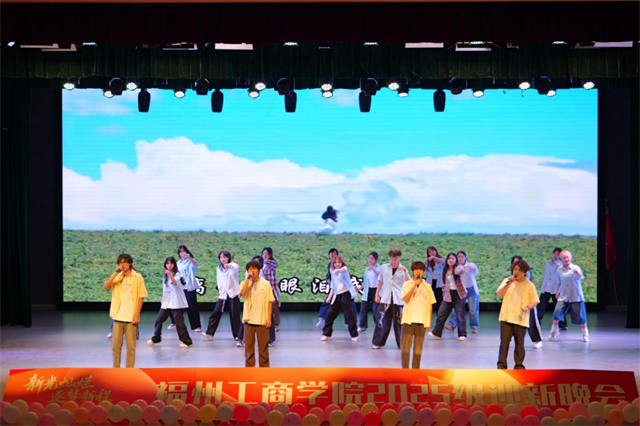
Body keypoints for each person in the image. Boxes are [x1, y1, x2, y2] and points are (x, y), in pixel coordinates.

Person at [103, 254, 148, 368]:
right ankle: (116, 369)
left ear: (130, 264)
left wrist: (137, 314)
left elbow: (141, 296)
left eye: (125, 262)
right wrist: (115, 273)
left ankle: (129, 371)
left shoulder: (137, 277)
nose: (122, 265)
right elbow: (106, 286)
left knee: (131, 346)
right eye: (120, 263)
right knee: (115, 346)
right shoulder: (117, 276)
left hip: (131, 317)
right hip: (117, 315)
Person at [496, 260, 540, 369]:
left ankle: (519, 366)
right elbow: (499, 293)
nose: (516, 272)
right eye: (515, 269)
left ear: (524, 272)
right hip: (506, 317)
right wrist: (508, 283)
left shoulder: (529, 285)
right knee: (504, 343)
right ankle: (501, 365)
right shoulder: (508, 281)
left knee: (519, 344)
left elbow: (535, 301)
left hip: (520, 318)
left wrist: (528, 307)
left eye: (519, 270)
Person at [148, 256, 193, 348]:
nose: (169, 265)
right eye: (167, 263)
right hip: (167, 302)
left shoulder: (177, 274)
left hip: (176, 302)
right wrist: (163, 298)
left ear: (174, 265)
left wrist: (170, 274)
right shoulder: (165, 275)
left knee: (179, 323)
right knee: (159, 320)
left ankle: (187, 341)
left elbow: (176, 283)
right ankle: (156, 338)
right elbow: (165, 289)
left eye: (171, 263)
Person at [400, 261, 436, 369]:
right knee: (405, 348)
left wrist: (429, 321)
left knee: (418, 348)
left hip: (421, 320)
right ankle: (405, 370)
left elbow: (430, 304)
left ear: (423, 272)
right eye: (416, 270)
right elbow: (406, 299)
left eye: (420, 270)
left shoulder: (427, 287)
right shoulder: (407, 284)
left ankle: (415, 371)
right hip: (408, 320)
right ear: (412, 271)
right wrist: (414, 285)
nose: (418, 272)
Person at [372, 248, 411, 349]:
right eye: (392, 256)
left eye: (396, 256)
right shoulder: (384, 267)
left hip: (398, 299)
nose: (394, 258)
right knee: (381, 321)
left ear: (399, 257)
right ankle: (377, 342)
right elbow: (380, 281)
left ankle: (402, 344)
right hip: (385, 298)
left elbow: (409, 282)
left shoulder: (403, 269)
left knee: (399, 322)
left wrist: (405, 272)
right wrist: (377, 294)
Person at [202, 251, 242, 345]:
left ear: (228, 258)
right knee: (216, 312)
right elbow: (219, 280)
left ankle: (238, 335)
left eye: (225, 257)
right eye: (221, 257)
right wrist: (220, 289)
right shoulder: (218, 268)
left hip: (233, 294)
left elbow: (236, 267)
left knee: (235, 315)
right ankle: (210, 333)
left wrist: (229, 265)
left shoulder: (233, 266)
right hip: (223, 294)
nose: (223, 259)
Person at [549, 250, 590, 342]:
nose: (566, 259)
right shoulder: (559, 269)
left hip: (576, 295)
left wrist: (578, 273)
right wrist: (557, 292)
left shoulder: (575, 267)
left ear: (570, 257)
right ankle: (554, 331)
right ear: (561, 259)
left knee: (581, 316)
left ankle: (585, 334)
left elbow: (581, 277)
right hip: (564, 295)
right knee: (556, 314)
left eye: (567, 257)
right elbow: (559, 282)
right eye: (564, 258)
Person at [240, 260, 274, 367]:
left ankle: (264, 371)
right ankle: (250, 370)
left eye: (254, 268)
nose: (252, 271)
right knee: (249, 348)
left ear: (259, 270)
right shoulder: (245, 283)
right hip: (249, 320)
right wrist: (248, 279)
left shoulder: (266, 283)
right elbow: (242, 293)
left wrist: (268, 318)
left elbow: (269, 301)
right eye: (249, 269)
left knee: (263, 348)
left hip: (262, 320)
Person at [428, 253, 468, 341]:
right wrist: (444, 293)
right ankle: (437, 333)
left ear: (455, 260)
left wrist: (456, 266)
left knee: (460, 315)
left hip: (458, 294)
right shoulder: (445, 270)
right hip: (448, 294)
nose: (451, 260)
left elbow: (458, 271)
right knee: (441, 313)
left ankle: (462, 334)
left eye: (453, 258)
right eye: (449, 258)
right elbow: (444, 283)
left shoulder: (458, 268)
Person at [321, 256, 359, 342]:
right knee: (330, 314)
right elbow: (333, 287)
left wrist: (338, 270)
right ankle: (326, 333)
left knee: (350, 315)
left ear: (341, 263)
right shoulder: (333, 273)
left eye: (339, 262)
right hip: (337, 296)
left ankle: (354, 334)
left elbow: (343, 270)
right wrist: (329, 297)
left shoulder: (344, 269)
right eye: (335, 263)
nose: (337, 264)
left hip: (346, 294)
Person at [511, 255, 543, 349]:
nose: (515, 265)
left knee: (532, 320)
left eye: (517, 262)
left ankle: (538, 340)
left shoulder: (526, 273)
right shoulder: (513, 274)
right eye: (514, 263)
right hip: (518, 301)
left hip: (529, 301)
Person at [444, 251, 480, 334]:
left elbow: (474, 268)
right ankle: (452, 325)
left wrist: (466, 266)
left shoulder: (470, 265)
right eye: (458, 257)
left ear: (465, 257)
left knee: (473, 309)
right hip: (461, 290)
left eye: (462, 256)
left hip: (471, 289)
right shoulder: (456, 267)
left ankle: (474, 327)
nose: (460, 258)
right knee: (457, 308)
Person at [538, 247, 568, 330]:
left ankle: (563, 324)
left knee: (558, 307)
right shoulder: (548, 263)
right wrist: (542, 285)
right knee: (541, 306)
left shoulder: (561, 264)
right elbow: (545, 274)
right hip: (546, 288)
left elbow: (562, 276)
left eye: (558, 254)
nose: (555, 255)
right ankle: (536, 323)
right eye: (555, 253)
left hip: (555, 289)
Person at [175, 245, 202, 332]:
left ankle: (196, 326)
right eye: (180, 252)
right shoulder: (178, 263)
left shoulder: (190, 261)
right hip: (181, 287)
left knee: (192, 307)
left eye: (183, 251)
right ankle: (176, 324)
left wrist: (189, 257)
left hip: (190, 287)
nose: (182, 253)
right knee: (179, 307)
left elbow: (196, 264)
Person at [261, 247, 279, 347]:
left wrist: (266, 261)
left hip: (271, 288)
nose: (265, 255)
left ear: (270, 255)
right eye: (263, 253)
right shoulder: (260, 264)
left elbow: (274, 264)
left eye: (267, 254)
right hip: (262, 291)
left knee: (274, 307)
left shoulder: (272, 263)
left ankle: (275, 325)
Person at [358, 252, 381, 333]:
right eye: (369, 258)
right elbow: (366, 281)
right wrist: (360, 288)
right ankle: (362, 326)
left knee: (375, 310)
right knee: (363, 308)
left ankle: (378, 326)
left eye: (372, 258)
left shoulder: (379, 267)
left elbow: (380, 276)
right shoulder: (366, 270)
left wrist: (373, 269)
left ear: (376, 259)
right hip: (368, 290)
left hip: (376, 290)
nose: (370, 260)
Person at [316, 248, 339, 329]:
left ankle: (353, 323)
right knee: (327, 302)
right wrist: (328, 279)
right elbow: (329, 275)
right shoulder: (330, 265)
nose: (333, 256)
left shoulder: (340, 264)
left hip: (343, 289)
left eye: (334, 254)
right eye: (331, 255)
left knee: (348, 306)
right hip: (334, 288)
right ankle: (322, 319)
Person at [425, 246, 445, 315]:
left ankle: (440, 315)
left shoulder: (440, 259)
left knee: (439, 299)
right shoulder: (427, 261)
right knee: (432, 300)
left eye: (433, 251)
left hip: (439, 282)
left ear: (436, 251)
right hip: (430, 282)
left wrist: (434, 258)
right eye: (430, 252)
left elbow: (444, 263)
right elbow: (427, 273)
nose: (432, 253)